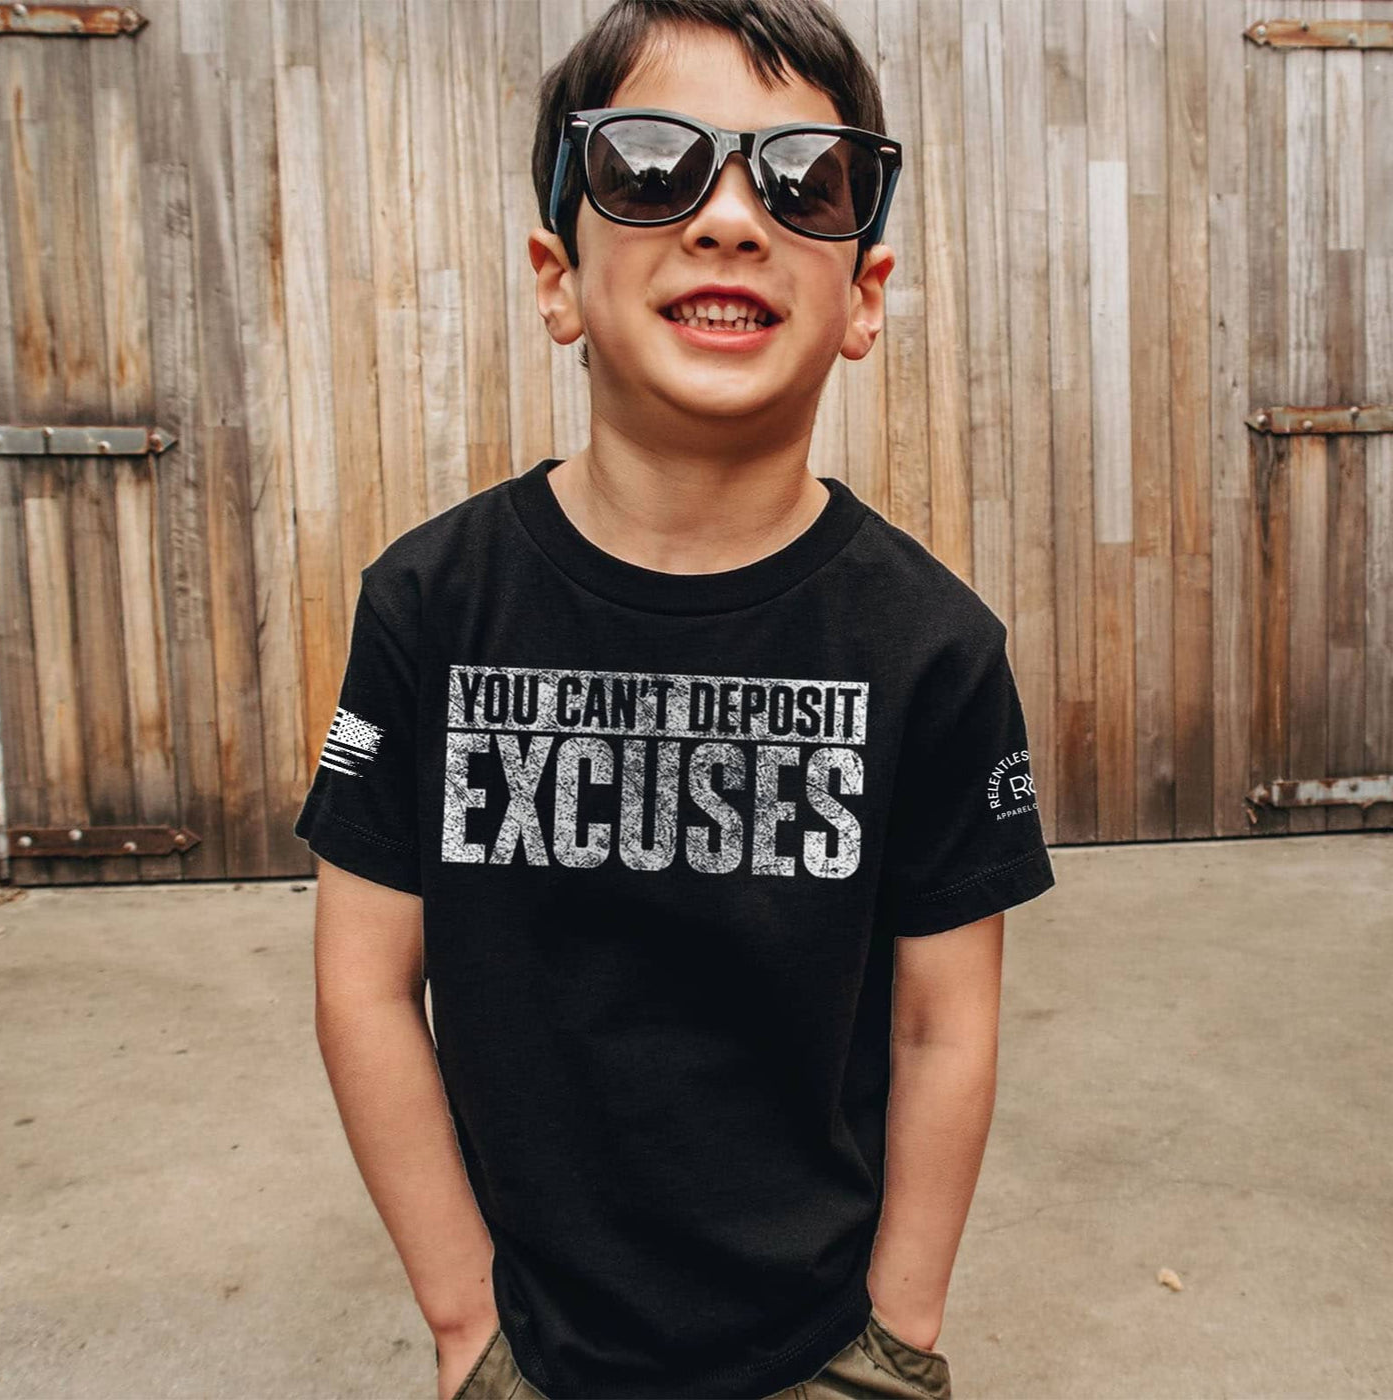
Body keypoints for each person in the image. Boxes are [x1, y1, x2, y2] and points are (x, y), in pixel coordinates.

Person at [295, 2, 1057, 1397]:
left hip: (821, 1343)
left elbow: (945, 1023)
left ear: (864, 294)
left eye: (799, 181)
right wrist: (469, 1327)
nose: (725, 218)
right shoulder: (431, 605)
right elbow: (363, 984)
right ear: (556, 277)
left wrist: (896, 1335)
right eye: (651, 169)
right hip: (536, 1343)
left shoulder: (932, 647)